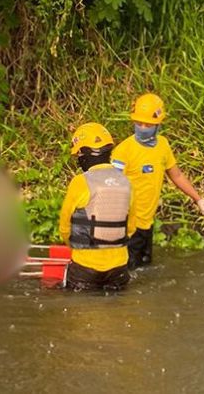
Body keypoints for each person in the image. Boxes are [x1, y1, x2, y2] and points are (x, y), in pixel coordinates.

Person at [111, 92, 204, 268]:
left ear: (158, 124)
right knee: (128, 272)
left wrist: (199, 199)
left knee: (144, 269)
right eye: (139, 123)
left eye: (148, 124)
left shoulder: (163, 146)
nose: (143, 128)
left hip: (147, 223)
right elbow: (111, 186)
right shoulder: (124, 150)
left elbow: (177, 175)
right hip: (128, 226)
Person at [59, 123, 132, 291]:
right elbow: (131, 225)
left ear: (84, 155)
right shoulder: (126, 181)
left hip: (86, 268)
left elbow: (65, 226)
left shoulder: (80, 182)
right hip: (118, 268)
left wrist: (71, 245)